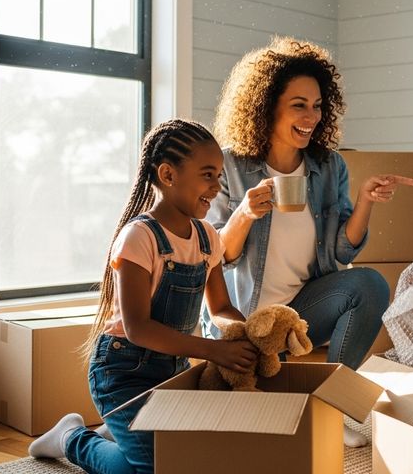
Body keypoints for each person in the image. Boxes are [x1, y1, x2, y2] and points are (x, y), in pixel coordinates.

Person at [203, 36, 413, 446]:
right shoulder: (230, 164)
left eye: (317, 106)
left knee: (369, 284)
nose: (311, 116)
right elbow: (218, 254)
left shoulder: (328, 165)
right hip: (243, 320)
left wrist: (365, 202)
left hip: (298, 316)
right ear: (267, 107)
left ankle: (335, 405)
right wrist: (245, 212)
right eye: (298, 105)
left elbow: (342, 251)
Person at [29, 119, 256, 474]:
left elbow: (222, 307)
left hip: (172, 372)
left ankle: (116, 431)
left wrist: (245, 335)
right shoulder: (139, 237)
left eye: (219, 175)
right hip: (123, 372)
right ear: (168, 175)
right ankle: (72, 437)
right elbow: (138, 329)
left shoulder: (207, 237)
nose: (217, 186)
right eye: (208, 175)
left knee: (197, 458)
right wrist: (213, 350)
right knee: (149, 470)